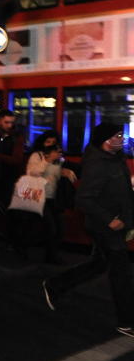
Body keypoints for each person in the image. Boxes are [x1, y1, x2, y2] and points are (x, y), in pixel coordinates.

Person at [42, 122, 134, 337]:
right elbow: (83, 198)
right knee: (121, 273)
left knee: (100, 264)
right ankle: (127, 321)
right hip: (106, 227)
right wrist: (109, 219)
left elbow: (121, 192)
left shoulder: (116, 158)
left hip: (118, 224)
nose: (121, 139)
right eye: (116, 136)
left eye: (121, 134)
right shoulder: (98, 164)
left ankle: (55, 285)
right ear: (103, 140)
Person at [25, 143, 76, 263]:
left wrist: (65, 171)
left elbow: (57, 175)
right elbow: (33, 173)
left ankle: (51, 255)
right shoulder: (37, 157)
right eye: (56, 150)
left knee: (60, 228)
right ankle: (47, 255)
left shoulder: (59, 160)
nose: (58, 153)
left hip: (54, 198)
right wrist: (47, 160)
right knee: (50, 227)